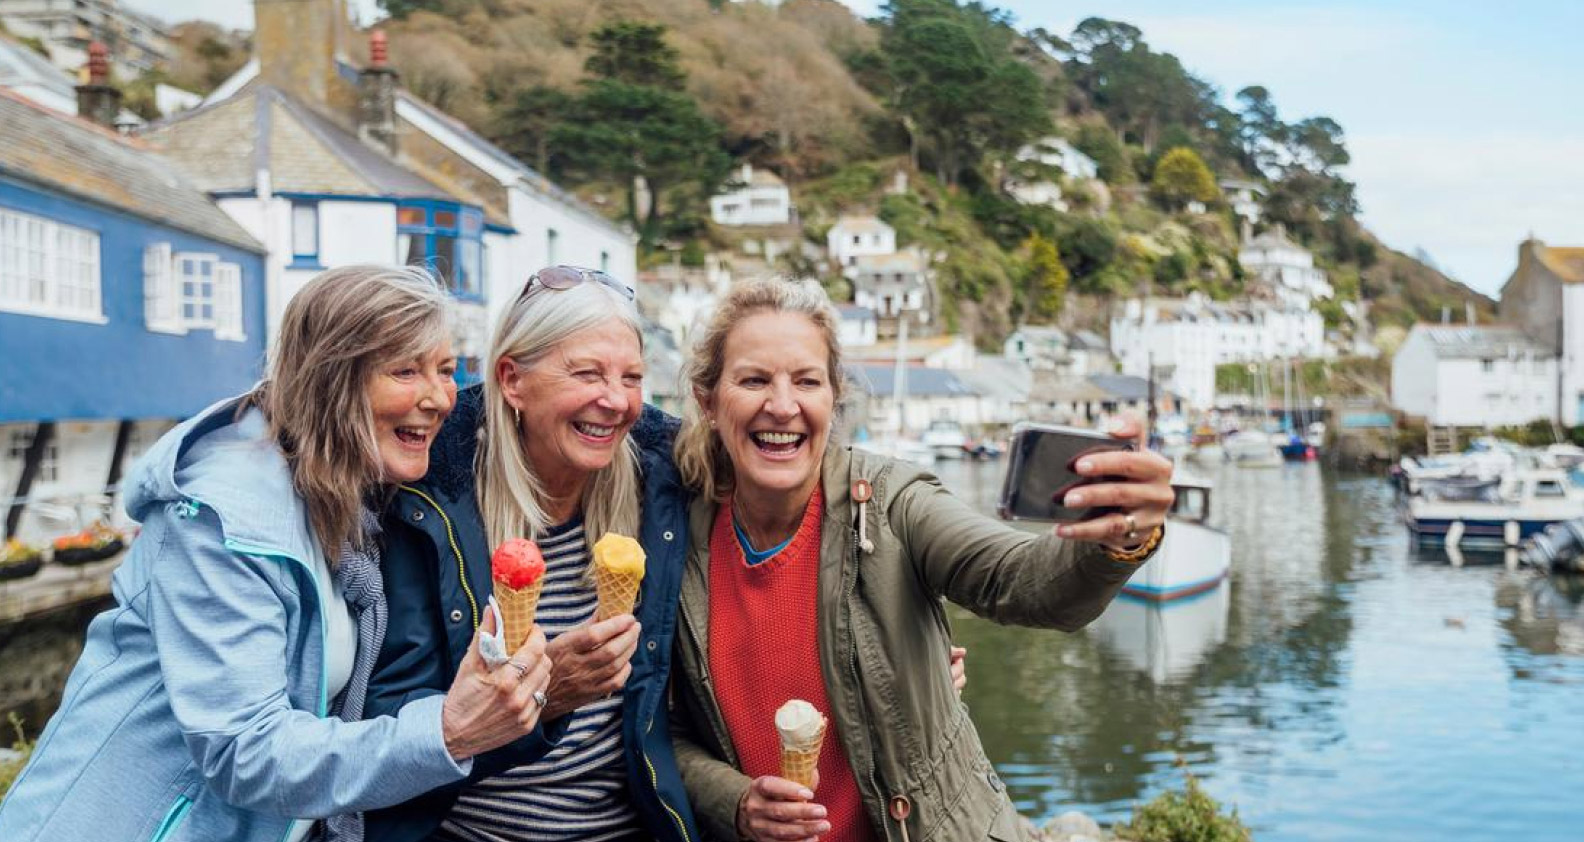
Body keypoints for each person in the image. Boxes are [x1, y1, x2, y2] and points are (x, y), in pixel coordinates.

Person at [0, 266, 553, 842]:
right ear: (331, 382)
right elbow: (245, 750)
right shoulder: (224, 519)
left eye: (445, 370)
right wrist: (448, 730)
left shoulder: (343, 503)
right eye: (405, 370)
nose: (439, 398)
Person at [669, 279, 1175, 842]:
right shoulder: (678, 537)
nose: (783, 405)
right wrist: (736, 802)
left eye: (807, 381)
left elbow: (1025, 583)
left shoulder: (891, 503)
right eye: (754, 379)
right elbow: (666, 731)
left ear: (833, 397)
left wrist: (1115, 537)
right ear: (708, 400)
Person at [365, 265, 700, 842]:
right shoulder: (428, 507)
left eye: (632, 377)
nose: (616, 401)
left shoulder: (662, 491)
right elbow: (388, 718)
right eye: (587, 373)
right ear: (512, 379)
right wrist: (541, 697)